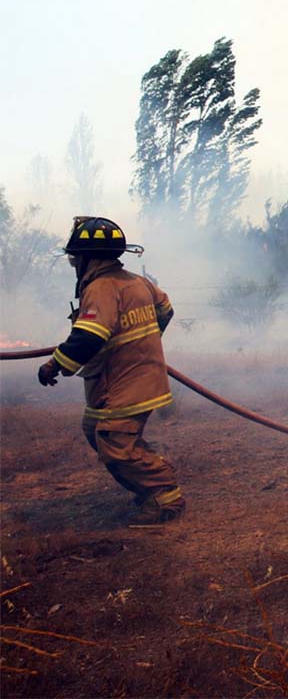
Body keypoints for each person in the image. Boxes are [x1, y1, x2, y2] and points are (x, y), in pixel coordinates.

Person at [37, 217, 185, 527]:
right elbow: (166, 310)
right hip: (134, 378)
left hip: (125, 383)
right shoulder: (137, 281)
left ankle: (163, 496)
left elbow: (89, 335)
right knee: (95, 429)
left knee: (115, 445)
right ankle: (150, 480)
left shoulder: (101, 287)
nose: (74, 263)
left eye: (74, 258)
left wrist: (54, 364)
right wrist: (143, 345)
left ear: (87, 257)